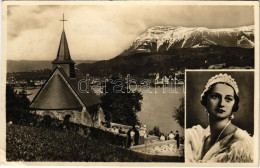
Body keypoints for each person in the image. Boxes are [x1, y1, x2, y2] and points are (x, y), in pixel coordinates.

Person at [186, 73, 253, 163]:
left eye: (228, 99)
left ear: (234, 105)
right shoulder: (197, 137)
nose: (221, 103)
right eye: (215, 97)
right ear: (205, 100)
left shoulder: (241, 144)